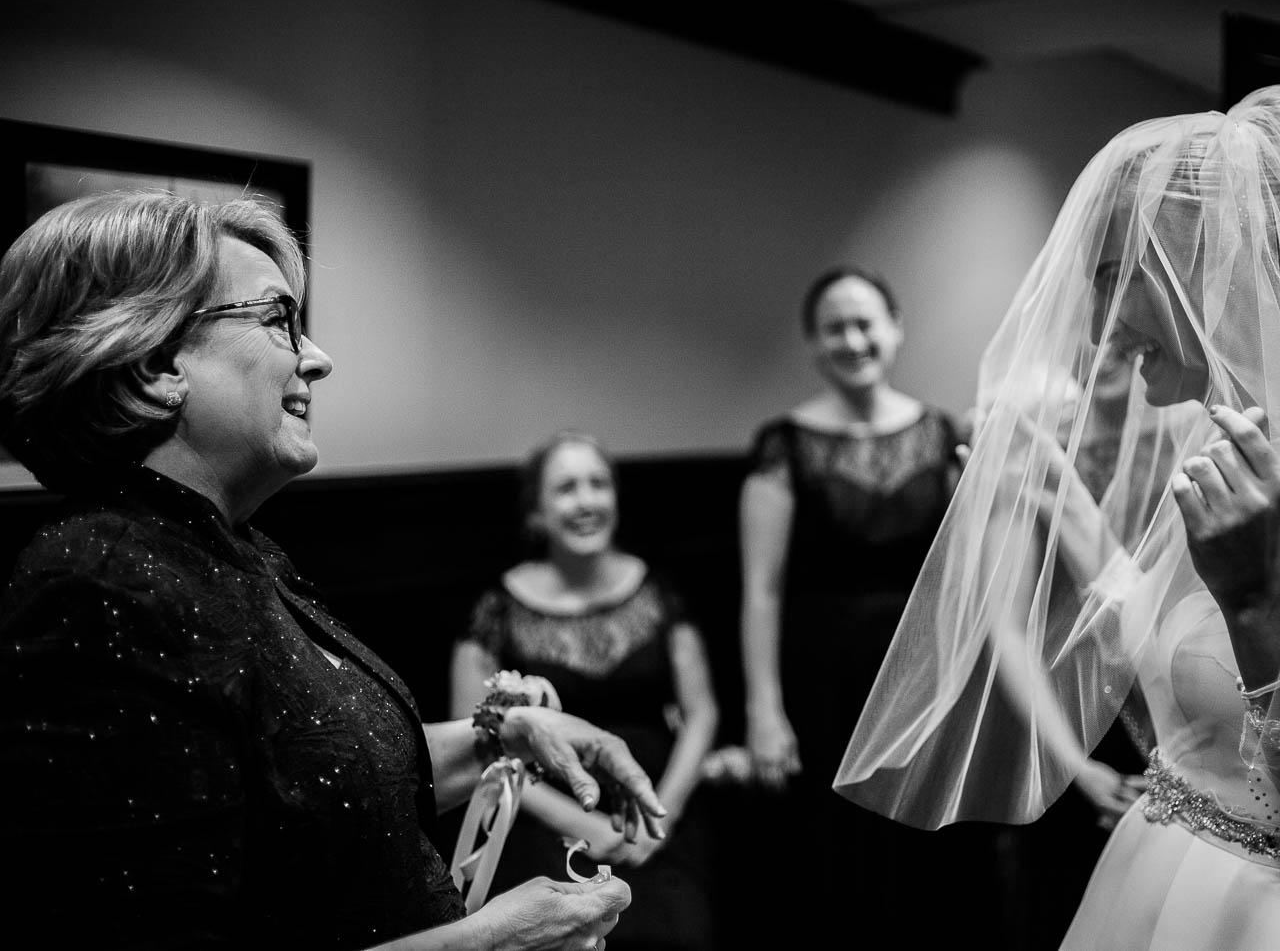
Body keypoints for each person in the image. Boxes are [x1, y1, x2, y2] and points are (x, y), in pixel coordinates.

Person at [836, 85, 1280, 950]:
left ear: (1199, 260)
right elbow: (1184, 692)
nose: (1105, 333)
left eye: (1114, 279)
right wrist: (1068, 509)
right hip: (1153, 888)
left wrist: (1262, 604)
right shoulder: (1214, 440)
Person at [0, 190, 669, 950]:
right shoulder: (98, 586)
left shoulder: (233, 551)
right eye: (278, 319)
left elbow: (321, 786)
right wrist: (494, 939)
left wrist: (502, 734)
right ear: (156, 363)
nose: (317, 358)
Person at [736, 266, 1007, 947]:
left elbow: (970, 574)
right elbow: (760, 590)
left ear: (894, 330)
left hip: (926, 676)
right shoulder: (783, 446)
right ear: (813, 344)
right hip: (824, 687)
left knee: (931, 858)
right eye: (835, 328)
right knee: (838, 861)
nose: (852, 339)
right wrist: (764, 711)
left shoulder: (943, 435)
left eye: (865, 323)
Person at [450, 431, 720, 951]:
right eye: (567, 488)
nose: (587, 501)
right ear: (537, 513)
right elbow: (475, 744)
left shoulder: (659, 592)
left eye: (599, 484)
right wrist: (582, 824)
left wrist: (661, 812)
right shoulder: (495, 610)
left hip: (661, 809)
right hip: (543, 817)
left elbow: (702, 712)